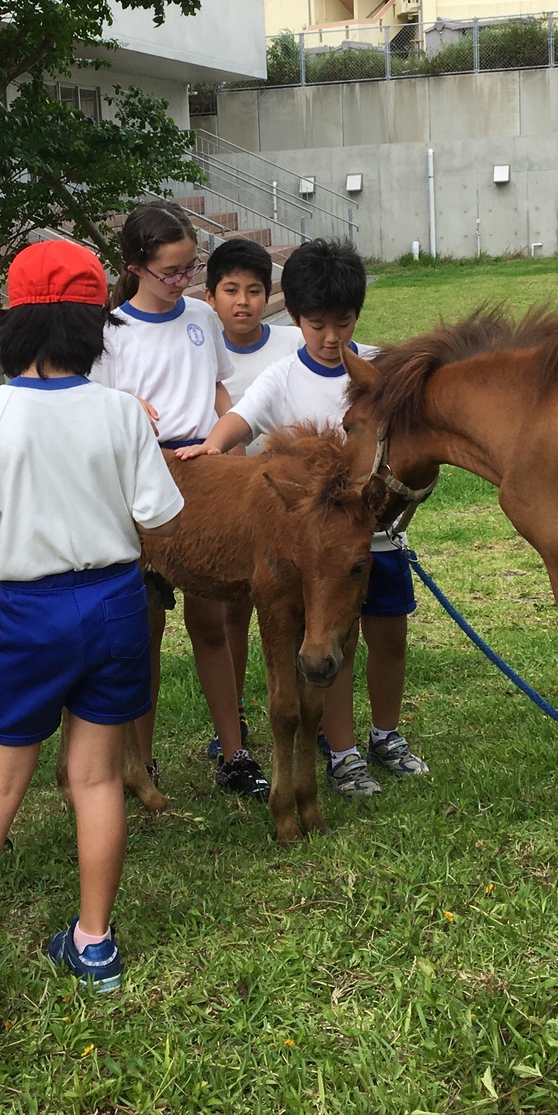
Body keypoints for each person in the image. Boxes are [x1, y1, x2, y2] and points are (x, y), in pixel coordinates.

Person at [0, 240, 184, 1041]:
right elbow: (160, 515)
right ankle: (94, 943)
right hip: (116, 602)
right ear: (96, 325)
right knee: (95, 777)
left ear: (10, 326)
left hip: (28, 611)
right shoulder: (122, 411)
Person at [184, 238, 430, 797]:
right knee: (333, 645)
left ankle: (386, 735)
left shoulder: (379, 375)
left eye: (342, 323)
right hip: (316, 551)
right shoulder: (281, 376)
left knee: (390, 636)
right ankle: (341, 752)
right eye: (317, 324)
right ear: (295, 317)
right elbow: (242, 421)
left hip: (381, 541)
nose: (331, 338)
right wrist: (210, 449)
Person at [89, 202, 266, 801]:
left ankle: (234, 752)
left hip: (207, 470)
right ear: (136, 267)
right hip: (142, 476)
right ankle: (140, 762)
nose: (184, 280)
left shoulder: (199, 316)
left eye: (190, 267)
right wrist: (127, 412)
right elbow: (95, 408)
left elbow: (217, 387)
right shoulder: (111, 331)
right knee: (142, 628)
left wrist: (230, 444)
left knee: (212, 622)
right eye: (172, 270)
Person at [201, 236, 298, 759]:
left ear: (270, 296)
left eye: (255, 290)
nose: (243, 301)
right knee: (232, 612)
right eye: (230, 289)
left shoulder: (290, 346)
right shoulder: (202, 349)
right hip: (231, 505)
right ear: (211, 296)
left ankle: (314, 719)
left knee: (295, 612)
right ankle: (232, 716)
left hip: (289, 506)